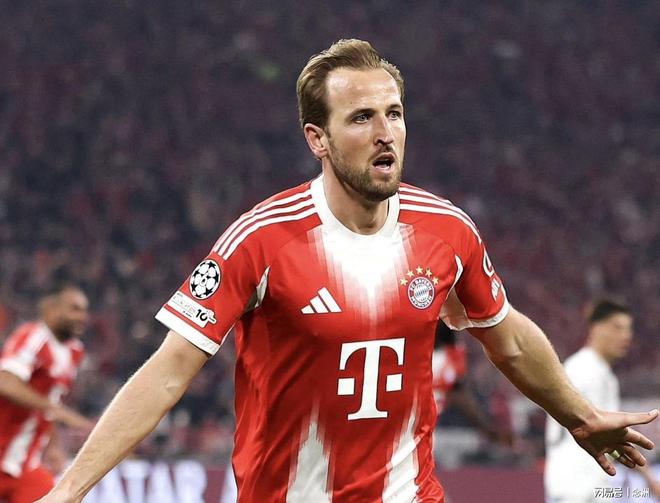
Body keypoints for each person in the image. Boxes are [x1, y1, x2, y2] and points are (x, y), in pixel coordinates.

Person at [37, 39, 657, 503]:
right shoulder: (262, 239)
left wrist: (579, 416)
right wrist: (68, 491)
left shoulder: (447, 231)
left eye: (394, 113)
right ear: (318, 139)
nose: (386, 133)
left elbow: (508, 336)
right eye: (361, 118)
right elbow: (169, 371)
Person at [545, 300, 660, 503]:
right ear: (595, 328)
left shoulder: (596, 371)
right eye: (617, 327)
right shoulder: (587, 371)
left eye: (628, 329)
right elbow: (607, 433)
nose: (626, 336)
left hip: (578, 482)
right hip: (578, 485)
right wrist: (649, 478)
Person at [0, 283, 92, 503]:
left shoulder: (74, 351)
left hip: (24, 464)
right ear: (51, 309)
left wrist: (54, 446)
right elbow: (5, 382)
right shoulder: (33, 337)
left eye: (84, 310)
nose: (82, 317)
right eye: (74, 309)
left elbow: (48, 403)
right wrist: (58, 411)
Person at [432, 322, 513, 447]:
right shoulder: (410, 349)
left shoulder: (453, 354)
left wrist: (487, 430)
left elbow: (458, 394)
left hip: (426, 429)